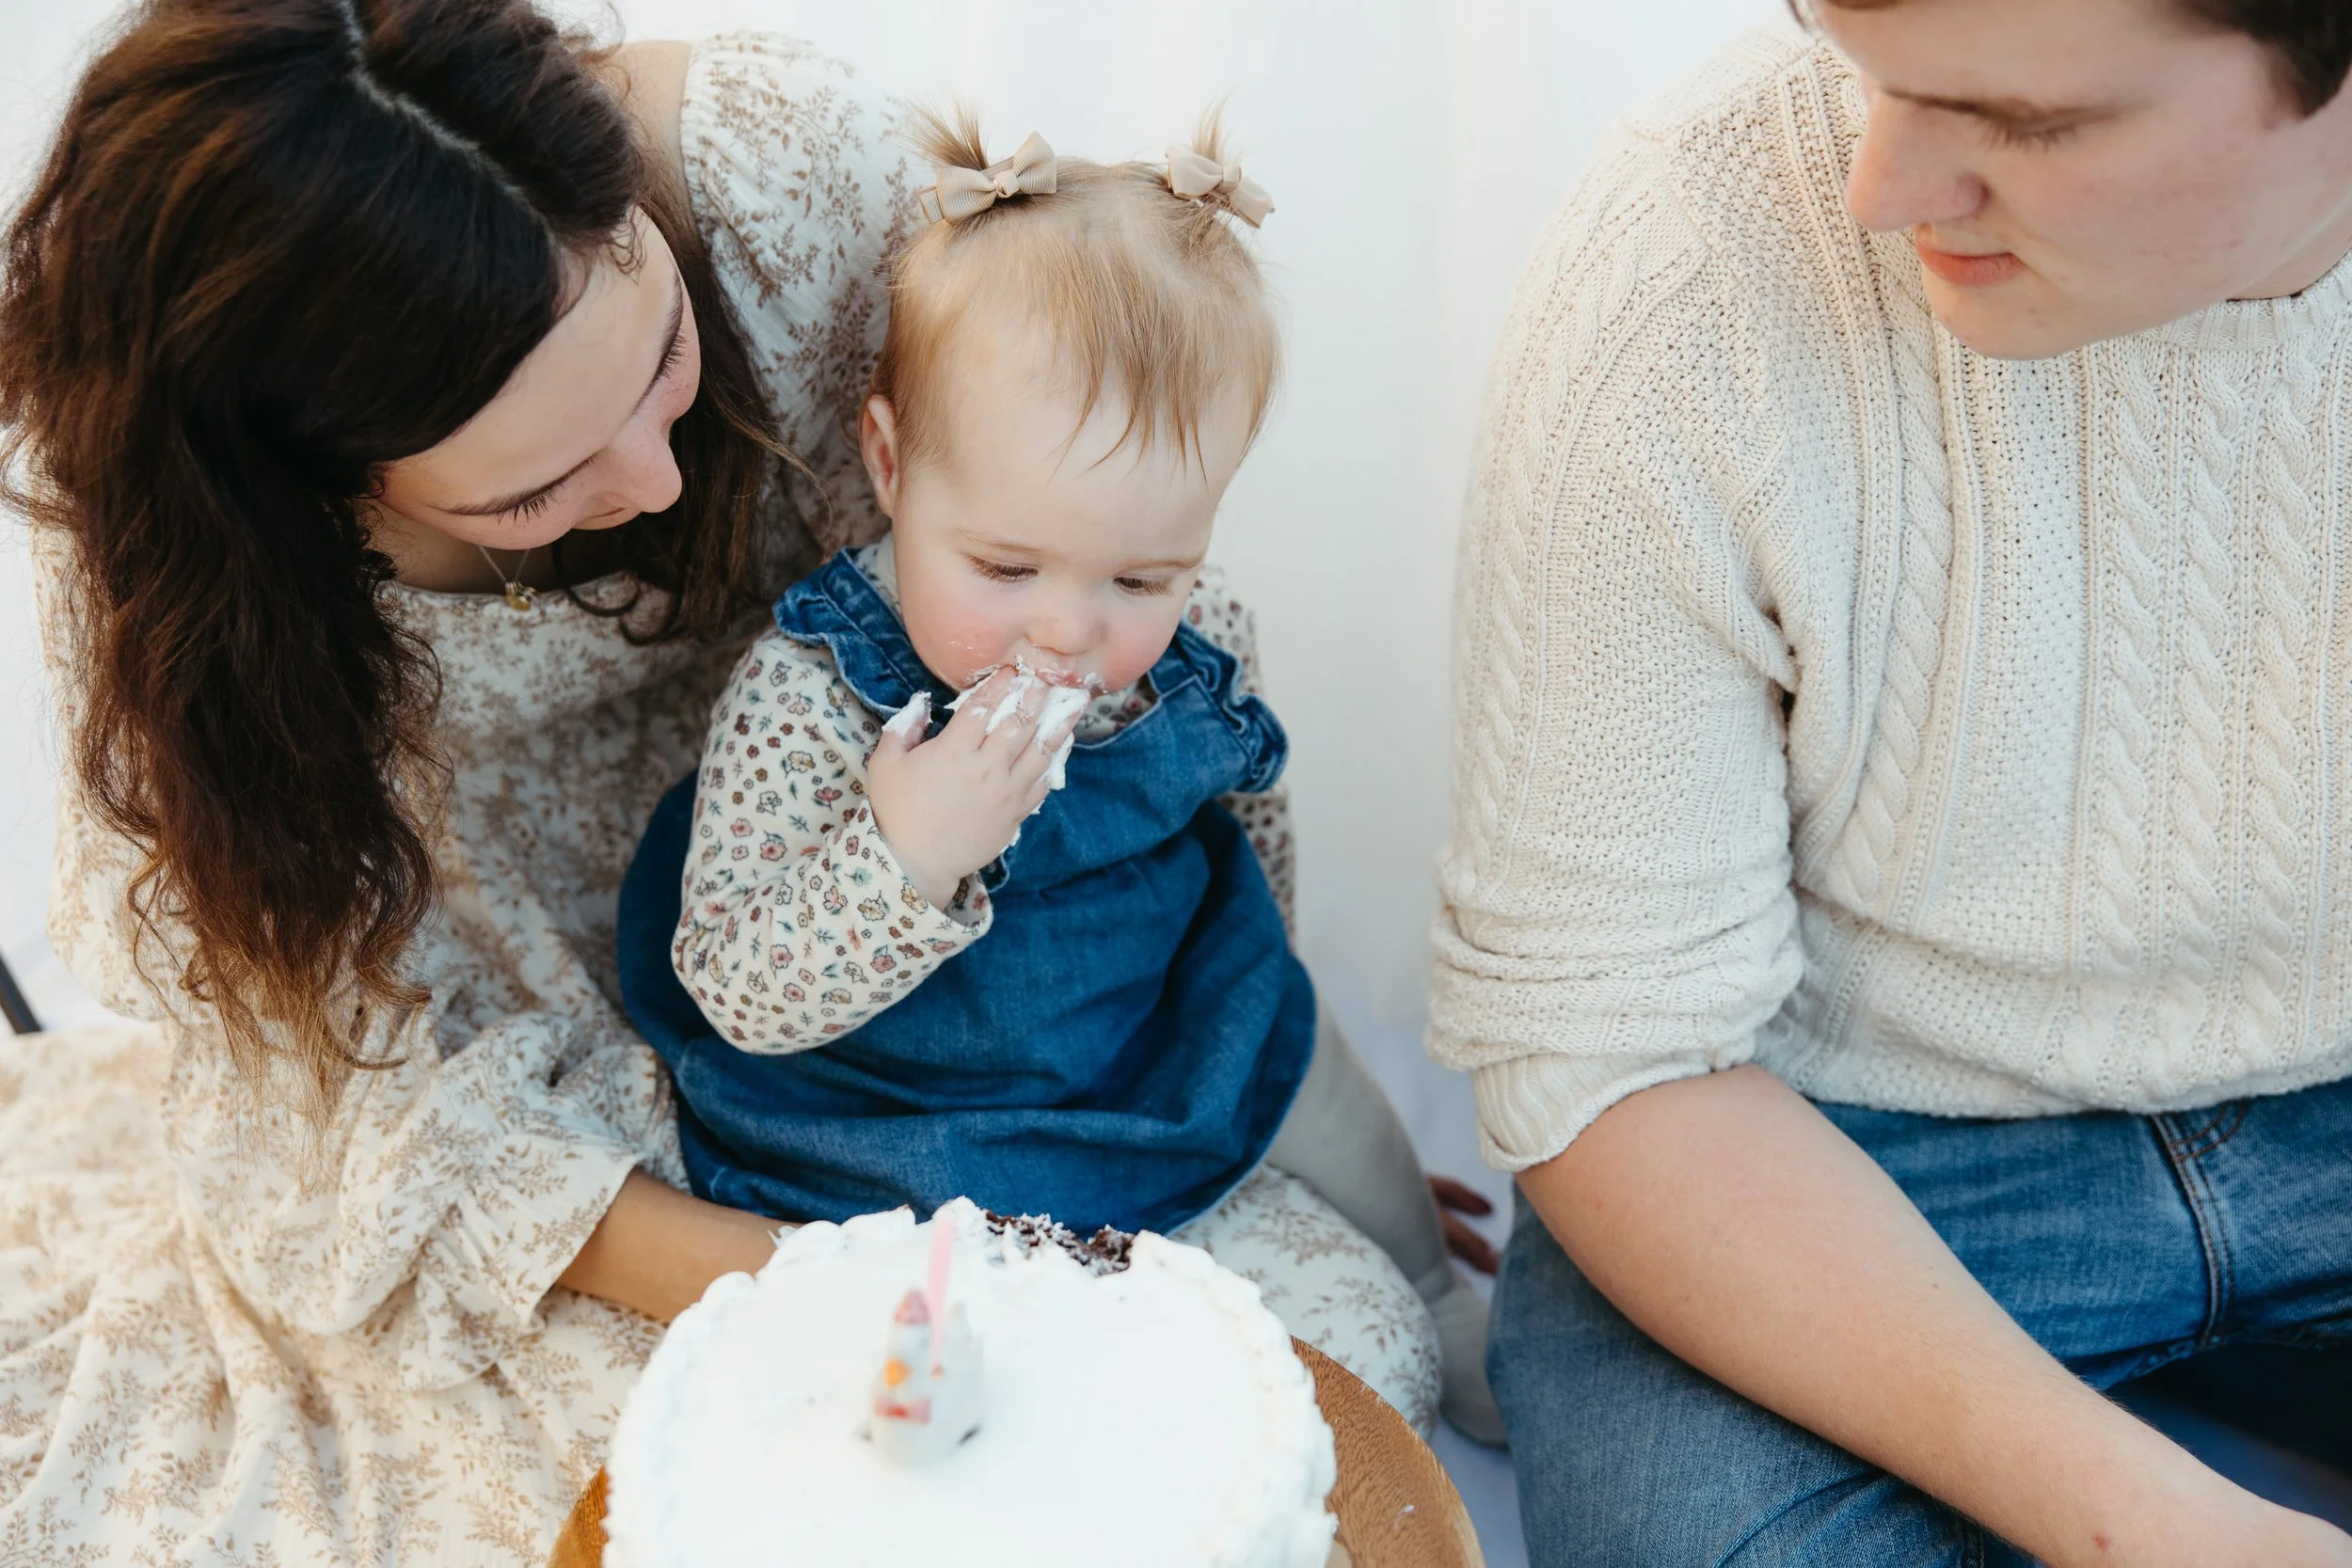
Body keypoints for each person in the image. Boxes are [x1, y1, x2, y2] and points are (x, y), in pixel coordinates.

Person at [0, 2, 1446, 1559]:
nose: (660, 486)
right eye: (537, 486)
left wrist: (1243, 1010)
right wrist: (831, 1277)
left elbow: (1077, 387)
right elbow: (341, 1113)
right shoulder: (203, 590)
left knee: (1312, 1395)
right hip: (699, 1085)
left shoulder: (782, 185)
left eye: (665, 358)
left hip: (1060, 1050)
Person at [1430, 0, 2352, 1560]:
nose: (1879, 183)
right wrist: (2138, 1520)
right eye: (1855, 60)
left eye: (2026, 125)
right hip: (1833, 1155)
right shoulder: (1685, 266)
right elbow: (1611, 1046)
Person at [612, 114, 1499, 1441]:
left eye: (1142, 577)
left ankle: (1435, 1284)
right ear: (892, 464)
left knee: (1322, 1111)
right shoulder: (808, 692)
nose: (1071, 631)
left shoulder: (1191, 653)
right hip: (902, 1119)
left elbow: (1248, 822)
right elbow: (734, 983)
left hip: (1148, 1027)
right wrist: (904, 848)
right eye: (1007, 569)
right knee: (1020, 1382)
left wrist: (1254, 992)